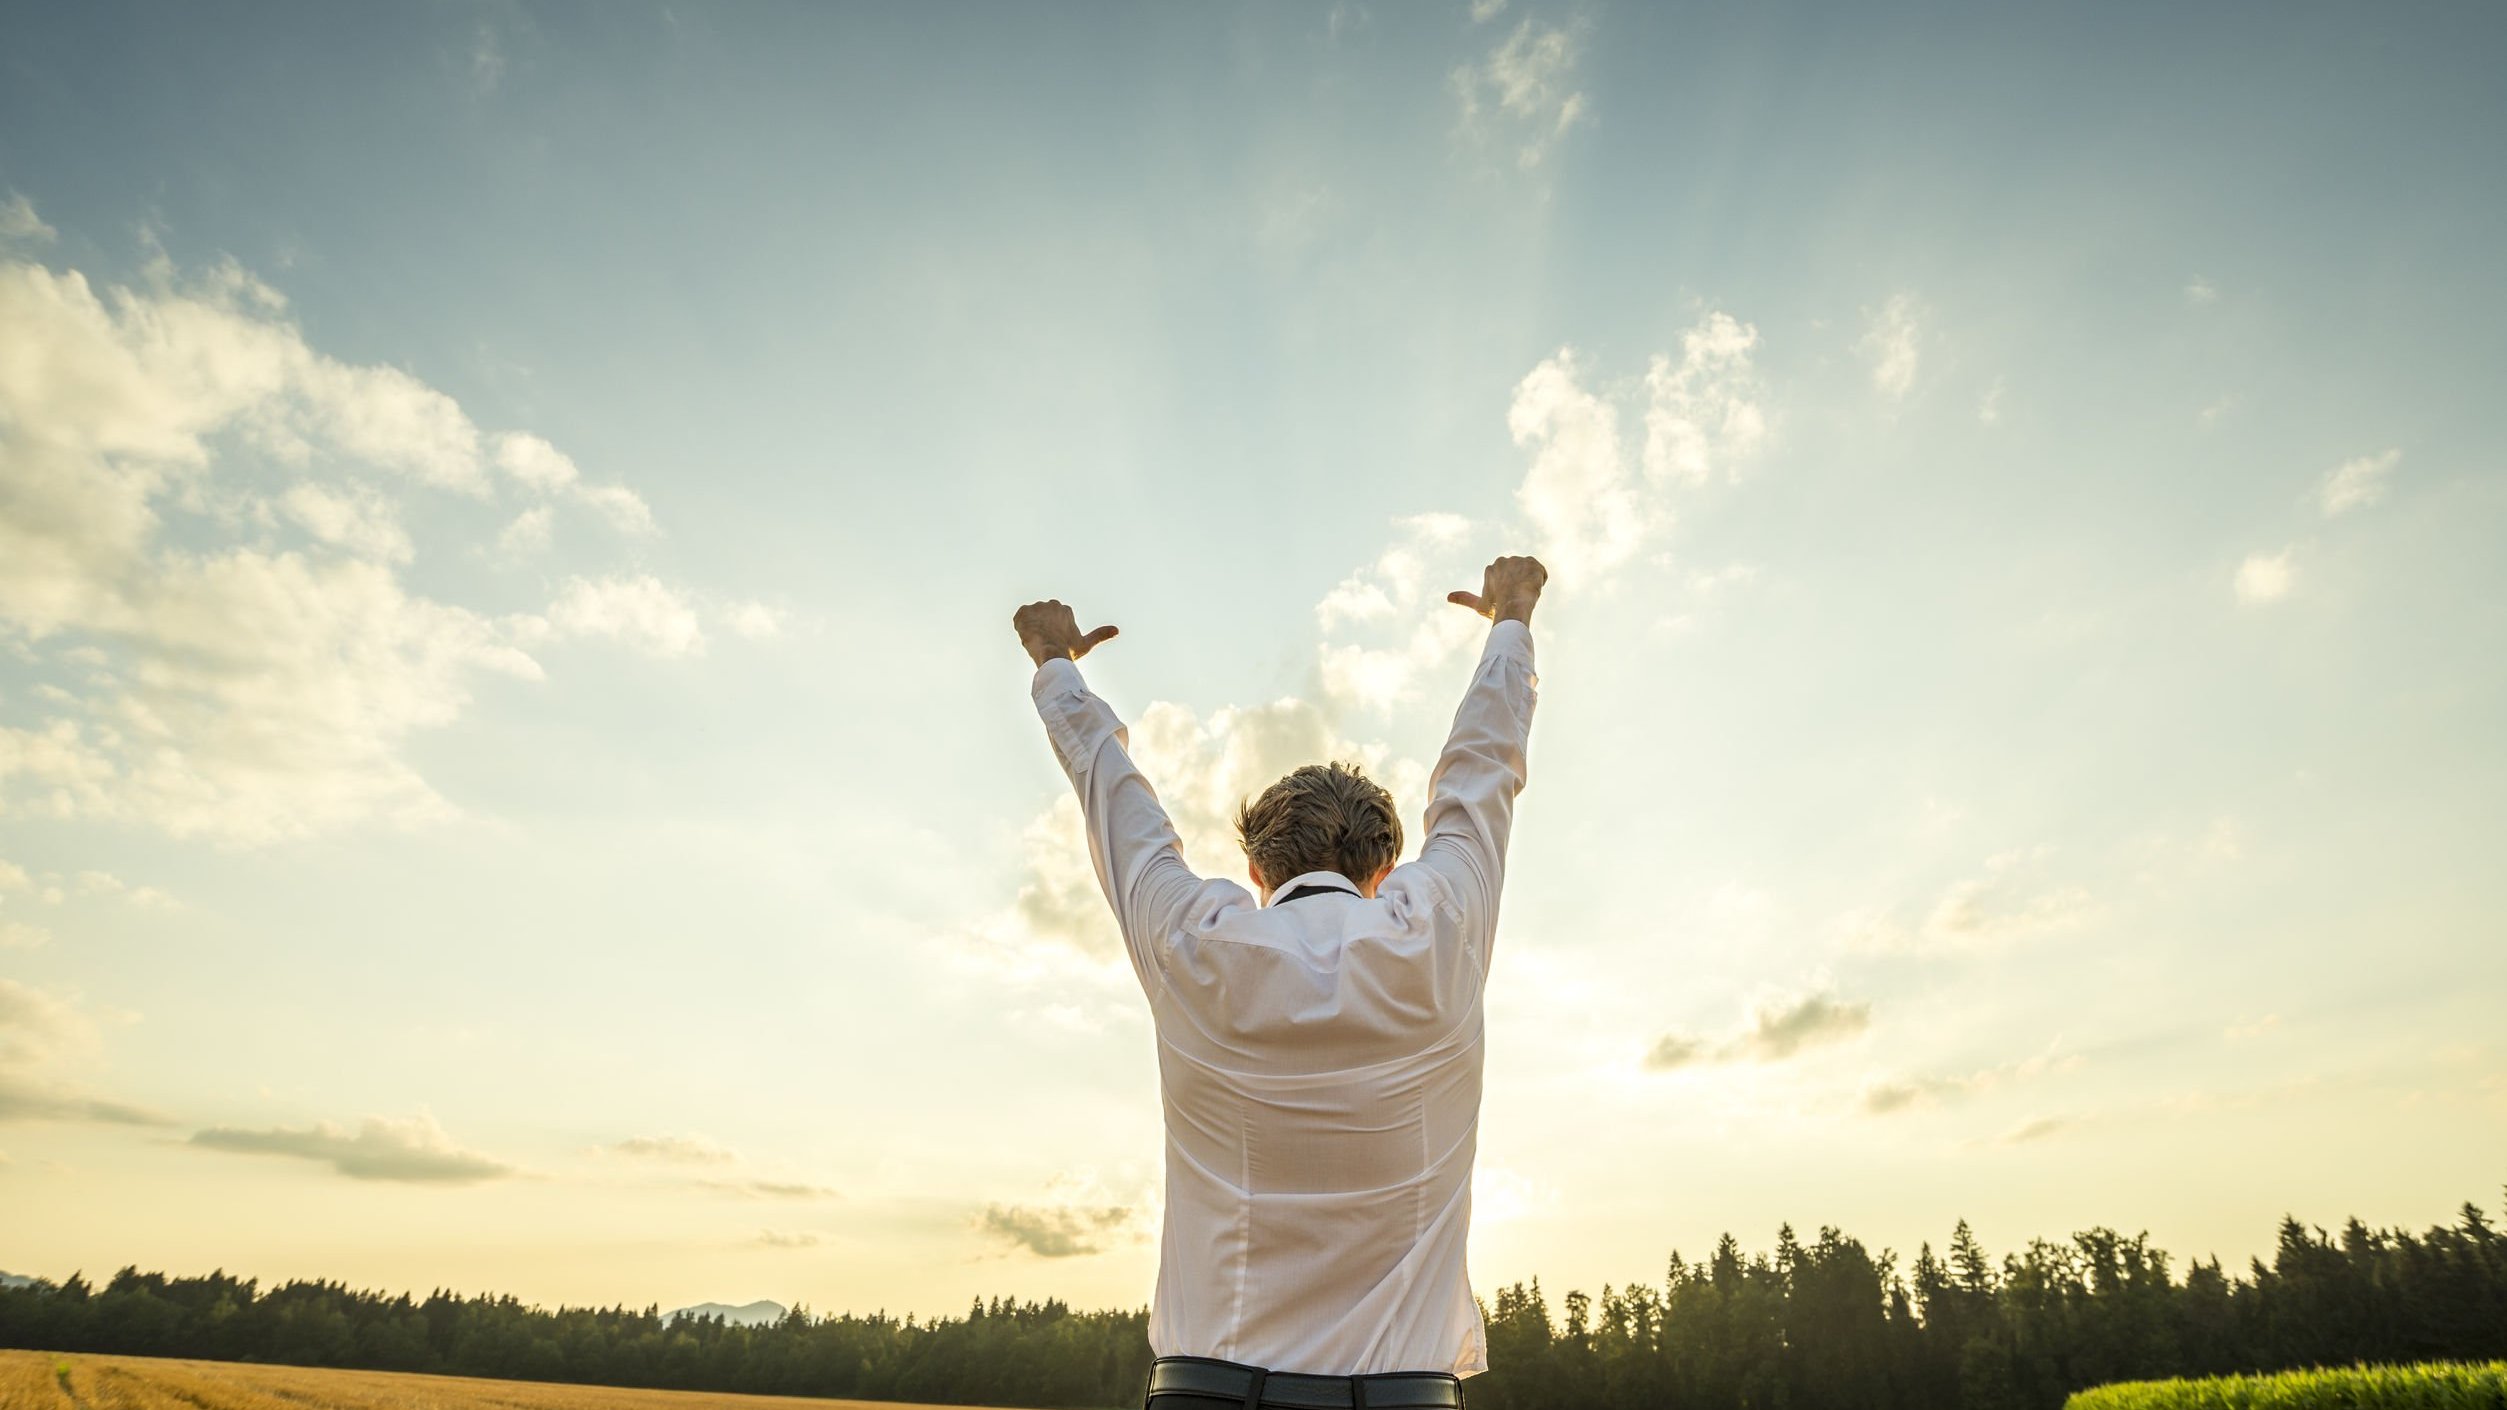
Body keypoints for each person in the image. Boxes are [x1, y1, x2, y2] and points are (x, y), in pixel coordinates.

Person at [1011, 554, 1545, 1410]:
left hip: (1208, 1397)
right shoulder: (1441, 932)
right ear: (1385, 865)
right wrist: (1511, 619)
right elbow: (1481, 774)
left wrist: (1055, 668)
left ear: (1255, 867)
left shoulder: (1194, 947)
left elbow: (1119, 809)